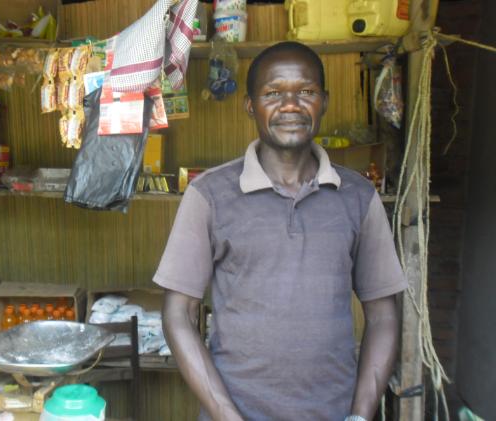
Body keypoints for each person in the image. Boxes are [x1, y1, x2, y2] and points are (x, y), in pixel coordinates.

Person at [153, 41, 407, 421]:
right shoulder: (210, 195)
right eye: (273, 93)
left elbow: (384, 316)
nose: (290, 105)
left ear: (324, 101)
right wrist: (227, 416)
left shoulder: (357, 196)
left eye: (306, 91)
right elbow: (179, 315)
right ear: (250, 105)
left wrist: (360, 415)